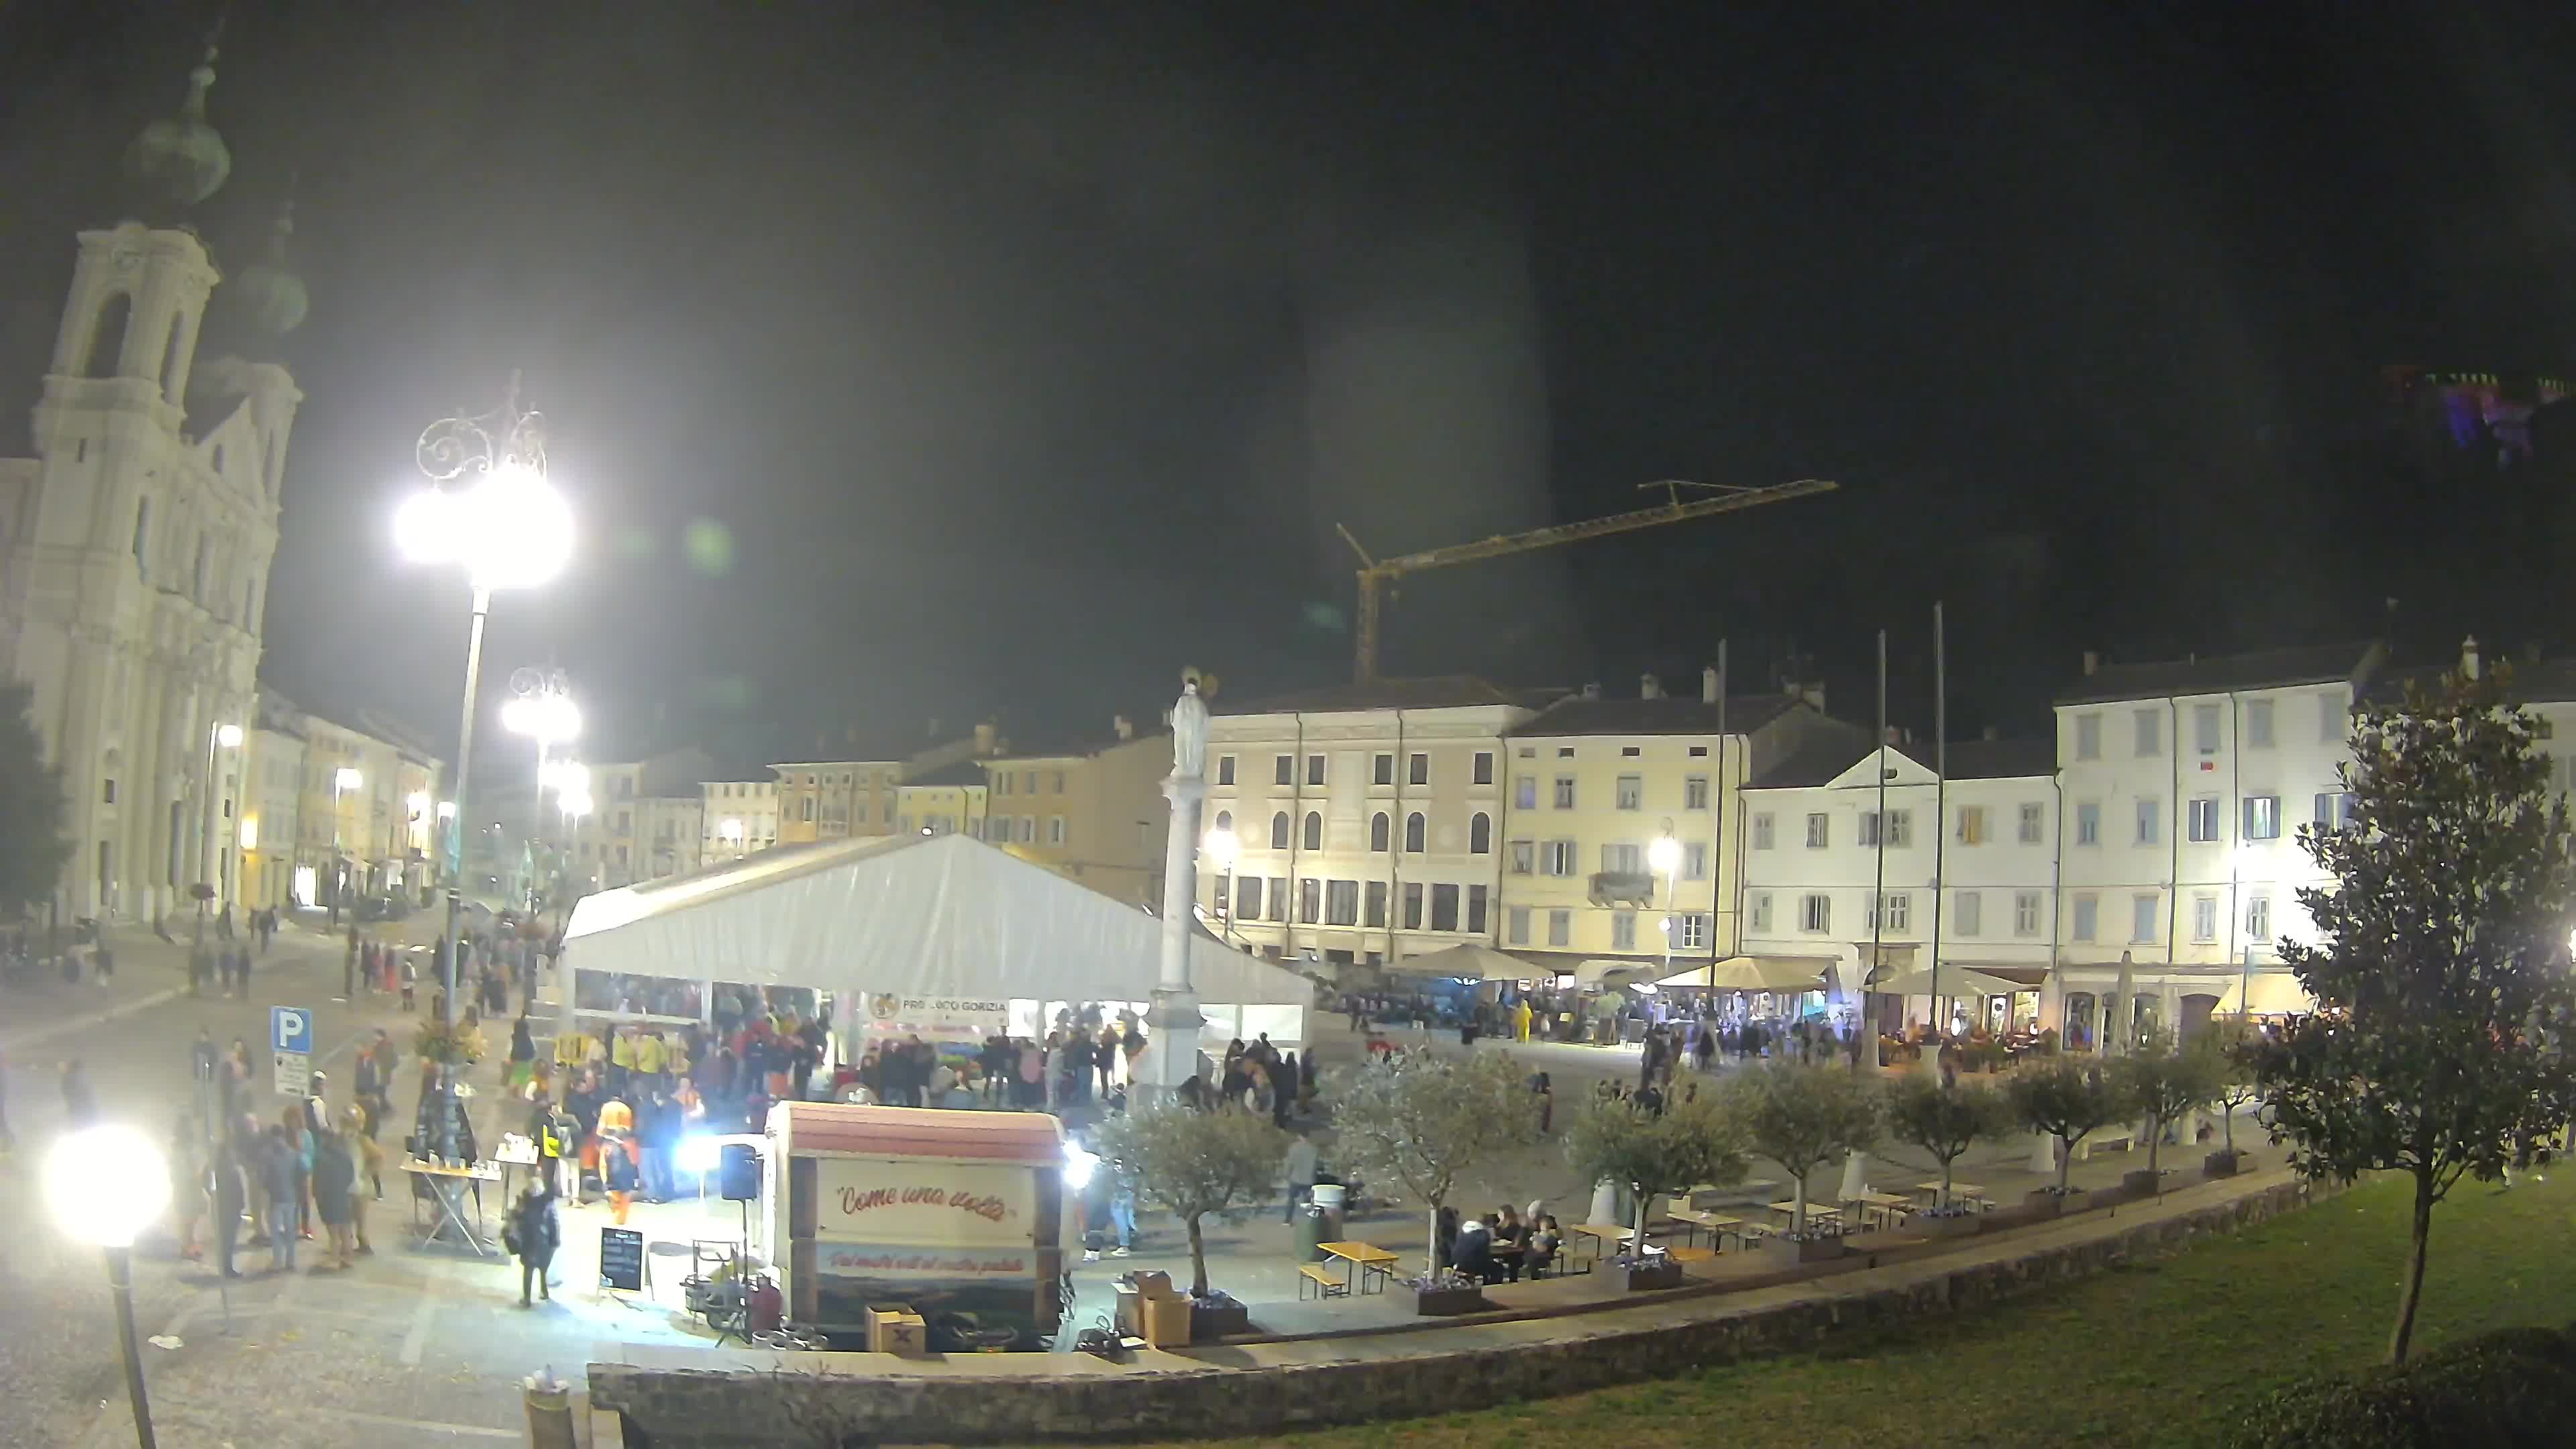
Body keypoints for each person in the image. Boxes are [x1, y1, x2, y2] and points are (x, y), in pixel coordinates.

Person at [311, 1118, 358, 1269]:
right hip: (342, 1195)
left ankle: (334, 1258)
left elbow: (318, 1179)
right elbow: (351, 1173)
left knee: (333, 1232)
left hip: (328, 1198)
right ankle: (348, 1257)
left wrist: (316, 1194)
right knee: (345, 1228)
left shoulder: (321, 1157)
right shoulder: (344, 1155)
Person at [506, 1183, 559, 1306]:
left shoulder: (525, 1204)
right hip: (545, 1243)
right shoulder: (548, 1205)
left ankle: (527, 1299)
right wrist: (555, 1241)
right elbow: (554, 1224)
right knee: (543, 1269)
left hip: (529, 1243)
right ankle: (544, 1291)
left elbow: (515, 1220)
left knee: (528, 1271)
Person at [259, 1124, 300, 1271]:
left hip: (274, 1199)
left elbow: (263, 1179)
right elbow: (298, 1175)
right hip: (291, 1198)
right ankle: (291, 1262)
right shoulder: (293, 1154)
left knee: (276, 1233)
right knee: (290, 1231)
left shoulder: (266, 1155)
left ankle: (278, 1262)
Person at [1281, 1132, 1319, 1224]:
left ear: (1299, 1136)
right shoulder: (1314, 1149)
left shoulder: (1294, 1148)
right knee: (1308, 1200)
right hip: (1309, 1179)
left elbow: (1290, 1163)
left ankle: (1287, 1220)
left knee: (1291, 1199)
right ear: (1308, 1137)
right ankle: (1311, 1221)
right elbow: (1316, 1166)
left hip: (1295, 1178)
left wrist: (1286, 1174)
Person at [58, 1059, 96, 1127]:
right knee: (85, 1122)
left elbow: (66, 1092)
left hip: (79, 1106)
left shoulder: (70, 1078)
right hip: (83, 1106)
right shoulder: (80, 1076)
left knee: (79, 1122)